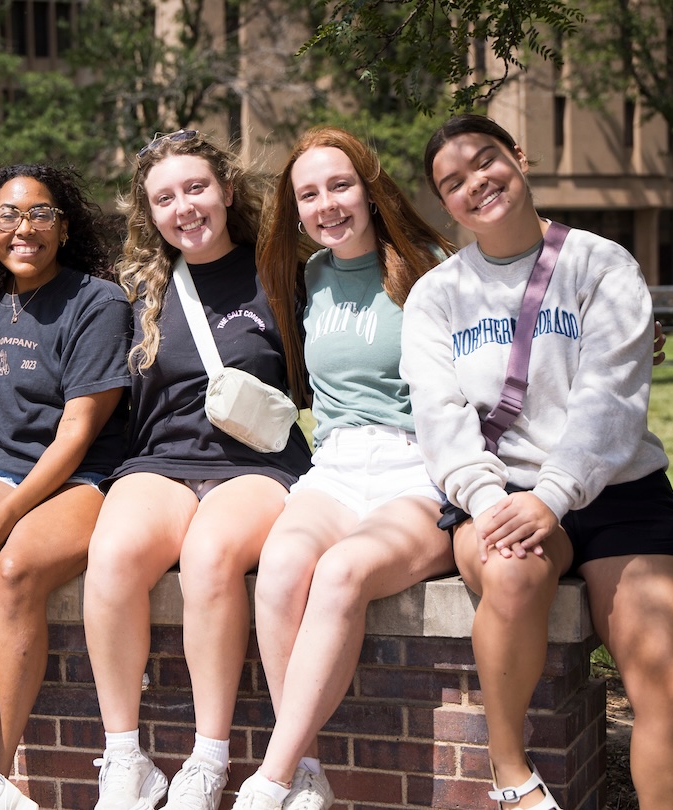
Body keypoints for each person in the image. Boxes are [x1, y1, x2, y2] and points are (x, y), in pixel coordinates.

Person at [405, 114, 673, 810]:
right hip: (498, 489)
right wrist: (490, 502)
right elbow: (441, 422)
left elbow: (612, 401)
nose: (476, 183)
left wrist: (558, 495)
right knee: (512, 570)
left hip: (619, 493)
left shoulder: (602, 265)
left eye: (486, 161)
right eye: (453, 182)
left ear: (520, 156)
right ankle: (510, 773)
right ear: (444, 203)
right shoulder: (436, 296)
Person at [229, 127, 458, 810]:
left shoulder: (431, 267)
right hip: (335, 466)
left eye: (339, 185)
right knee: (278, 573)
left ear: (369, 186)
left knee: (341, 574)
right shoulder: (309, 277)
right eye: (309, 194)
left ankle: (269, 780)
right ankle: (308, 776)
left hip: (417, 467)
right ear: (294, 208)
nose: (327, 204)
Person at [84, 131, 312, 810]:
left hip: (256, 465)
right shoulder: (134, 292)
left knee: (211, 553)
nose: (184, 206)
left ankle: (210, 758)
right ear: (149, 214)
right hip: (159, 461)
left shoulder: (282, 272)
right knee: (115, 552)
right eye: (165, 197)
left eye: (195, 188)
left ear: (227, 191)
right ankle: (124, 758)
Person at [0, 164, 131, 810]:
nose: (25, 228)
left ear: (66, 226)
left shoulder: (97, 302)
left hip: (79, 477)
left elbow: (76, 435)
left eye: (41, 213)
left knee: (12, 566)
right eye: (7, 216)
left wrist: (11, 513)